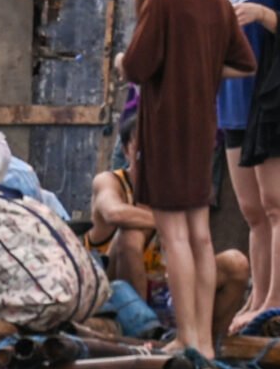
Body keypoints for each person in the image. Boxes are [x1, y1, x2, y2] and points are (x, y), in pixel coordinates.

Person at [59, 0, 280, 332]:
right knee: (254, 213)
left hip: (273, 101)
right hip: (233, 105)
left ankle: (276, 300)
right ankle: (254, 298)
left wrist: (264, 15)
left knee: (279, 208)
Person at [106, 0, 256, 365]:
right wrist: (201, 69)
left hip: (165, 133)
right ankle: (203, 342)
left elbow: (137, 64)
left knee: (174, 239)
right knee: (200, 238)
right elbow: (243, 63)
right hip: (202, 132)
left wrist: (119, 63)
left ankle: (190, 338)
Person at [91, 118, 253, 353]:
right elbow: (113, 213)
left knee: (236, 263)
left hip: (169, 294)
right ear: (127, 151)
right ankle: (141, 331)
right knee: (131, 234)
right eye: (142, 148)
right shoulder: (110, 181)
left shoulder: (177, 191)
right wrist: (170, 223)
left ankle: (209, 343)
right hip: (115, 298)